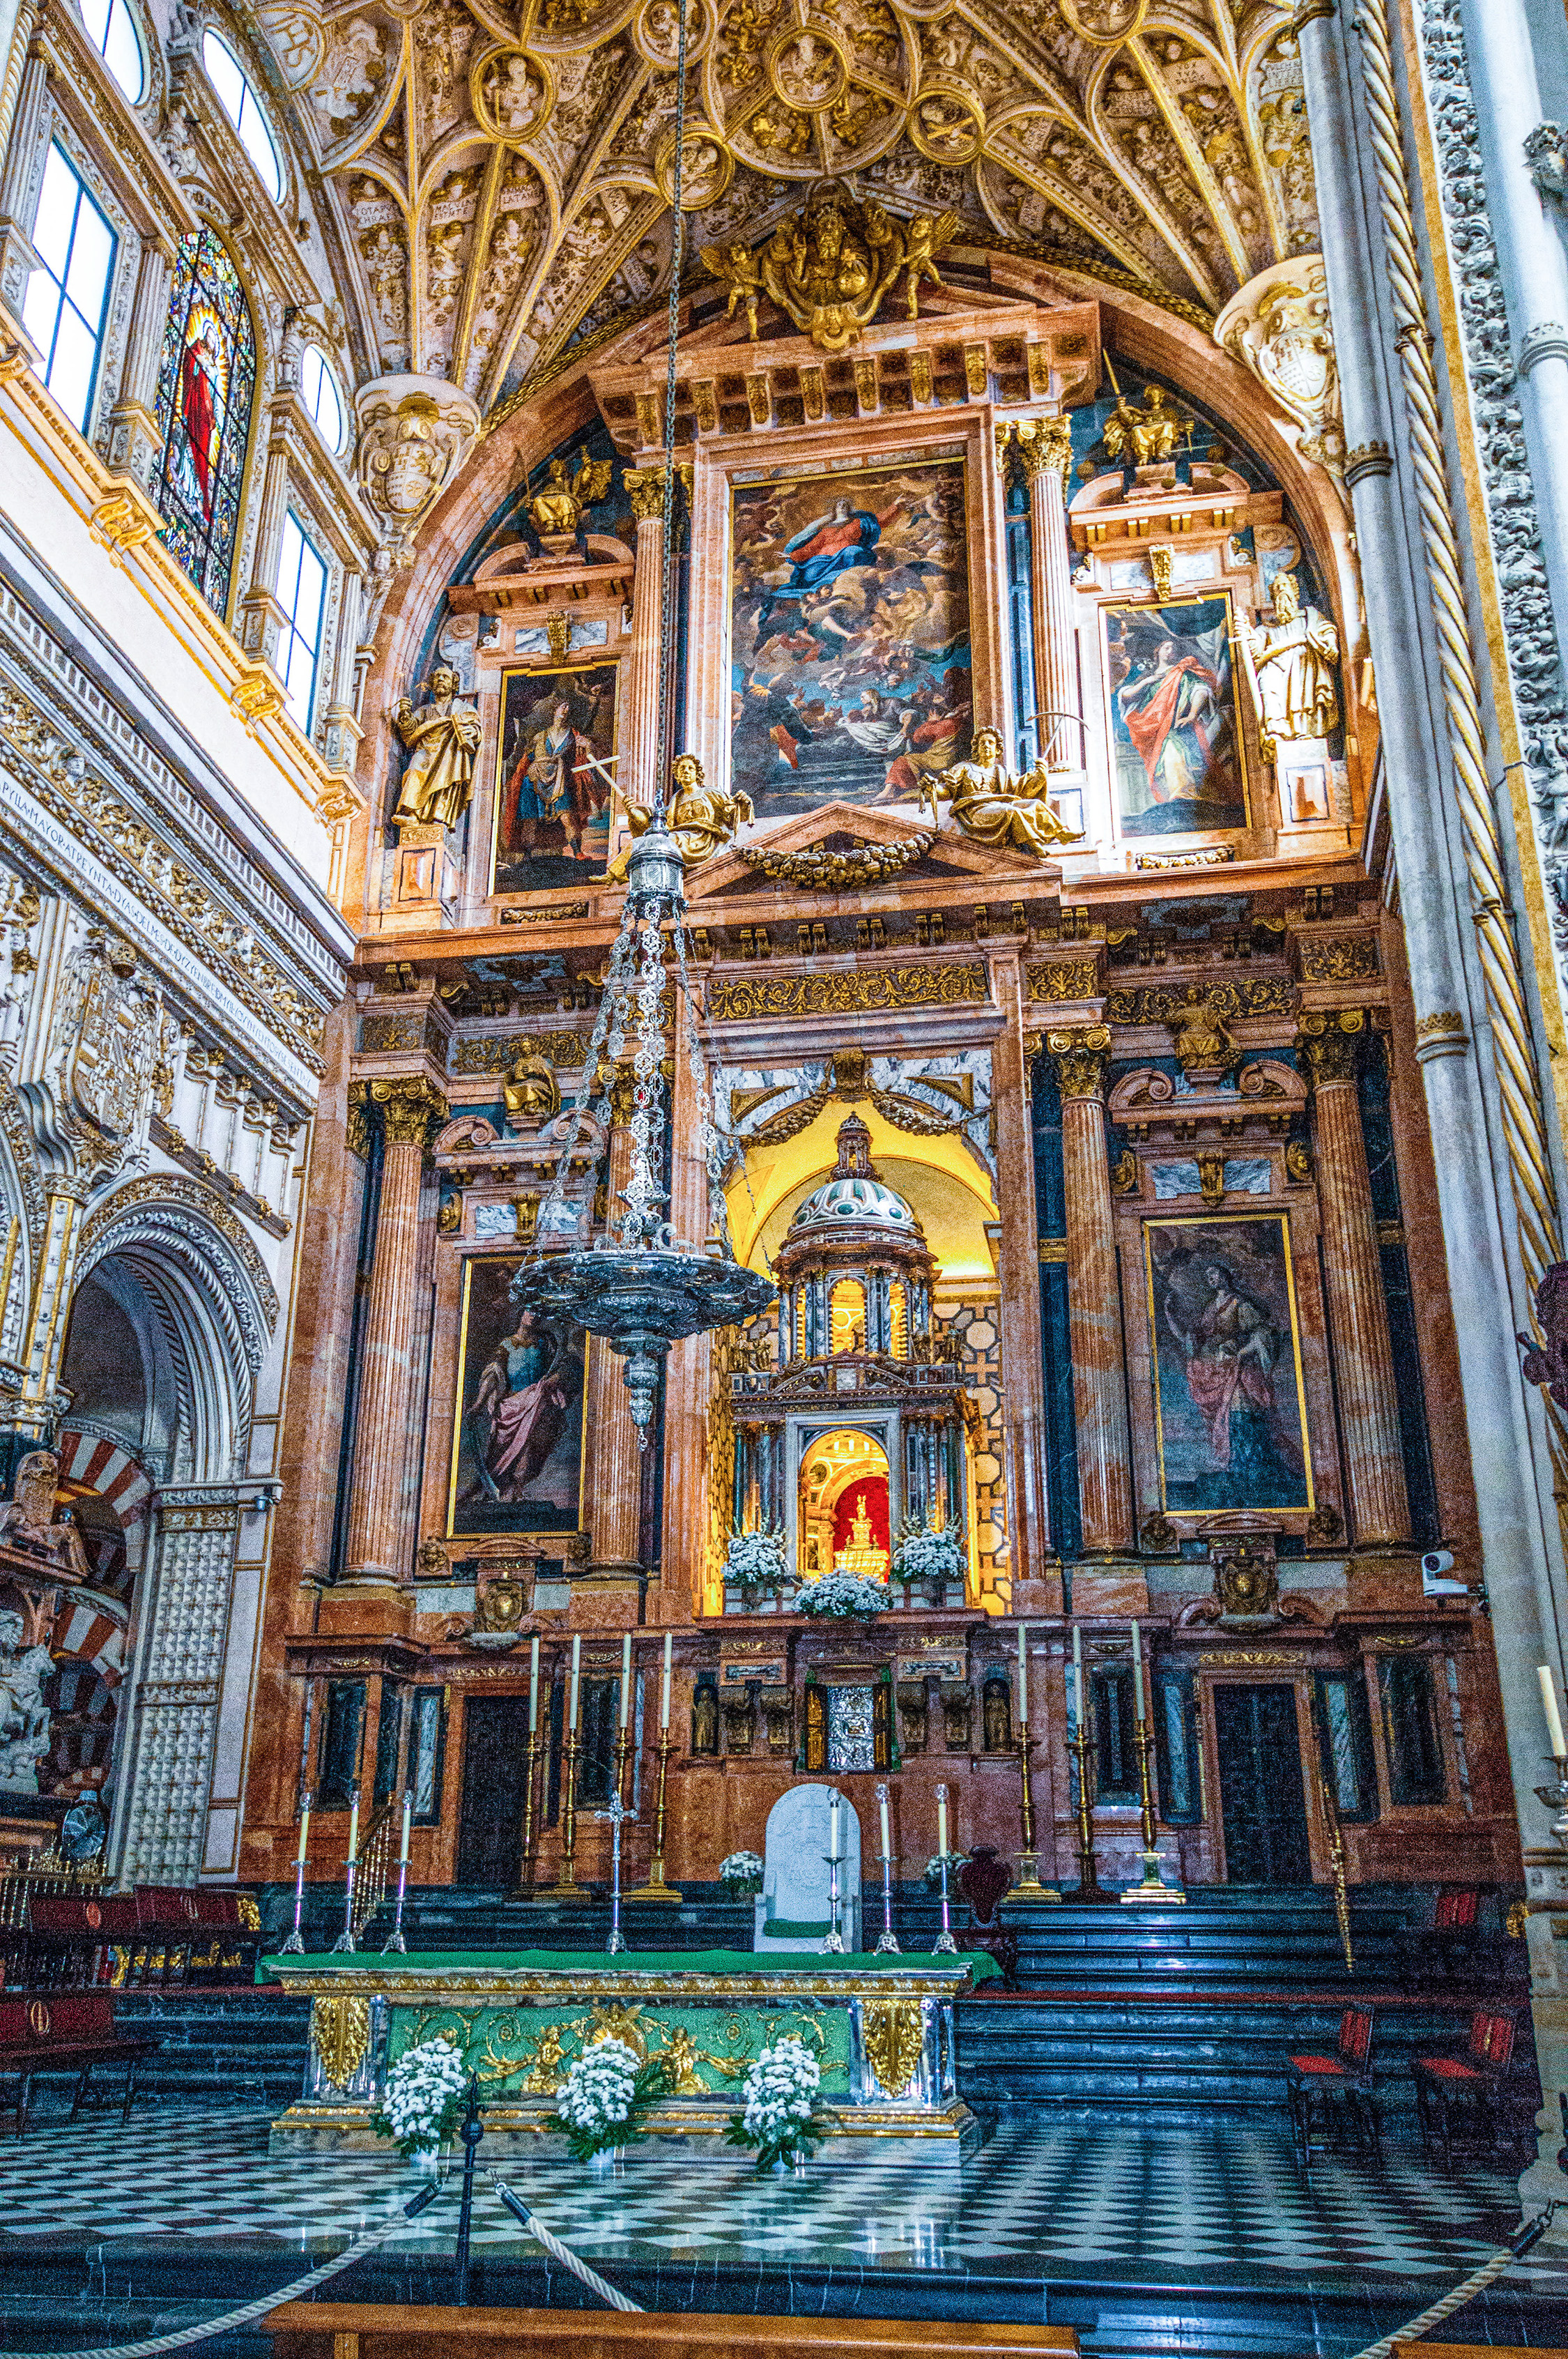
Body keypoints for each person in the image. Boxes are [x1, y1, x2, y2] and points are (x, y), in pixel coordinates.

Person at [466, 1311, 571, 1503]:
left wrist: (555, 1379)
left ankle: (518, 1490)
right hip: (513, 1406)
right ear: (520, 1315)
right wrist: (479, 1402)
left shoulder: (545, 1343)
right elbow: (494, 1373)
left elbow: (561, 1363)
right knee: (499, 1454)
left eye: (537, 1314)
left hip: (539, 1401)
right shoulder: (507, 1344)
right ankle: (493, 1490)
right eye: (529, 1312)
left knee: (533, 1446)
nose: (533, 1316)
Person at [502, 697, 599, 858]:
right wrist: (515, 779)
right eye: (563, 706)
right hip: (533, 779)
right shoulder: (540, 736)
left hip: (560, 778)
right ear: (554, 710)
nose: (566, 710)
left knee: (567, 816)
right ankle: (527, 855)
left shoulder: (573, 735)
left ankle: (577, 851)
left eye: (568, 707)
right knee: (530, 819)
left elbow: (584, 755)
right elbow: (525, 760)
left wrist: (588, 747)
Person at [390, 664, 482, 832]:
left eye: (445, 677)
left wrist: (473, 731)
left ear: (453, 685)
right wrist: (404, 714)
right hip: (426, 751)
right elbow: (411, 730)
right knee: (414, 770)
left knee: (444, 781)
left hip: (449, 752)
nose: (440, 680)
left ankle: (436, 817)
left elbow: (476, 729)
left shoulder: (463, 708)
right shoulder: (425, 710)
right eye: (437, 677)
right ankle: (411, 814)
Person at [179, 325, 220, 520]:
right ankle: (188, 485)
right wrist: (197, 363)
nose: (212, 340)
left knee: (203, 454)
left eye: (215, 339)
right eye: (211, 336)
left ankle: (203, 499)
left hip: (207, 415)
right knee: (191, 446)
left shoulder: (215, 368)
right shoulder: (196, 349)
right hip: (195, 404)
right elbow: (189, 368)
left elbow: (217, 397)